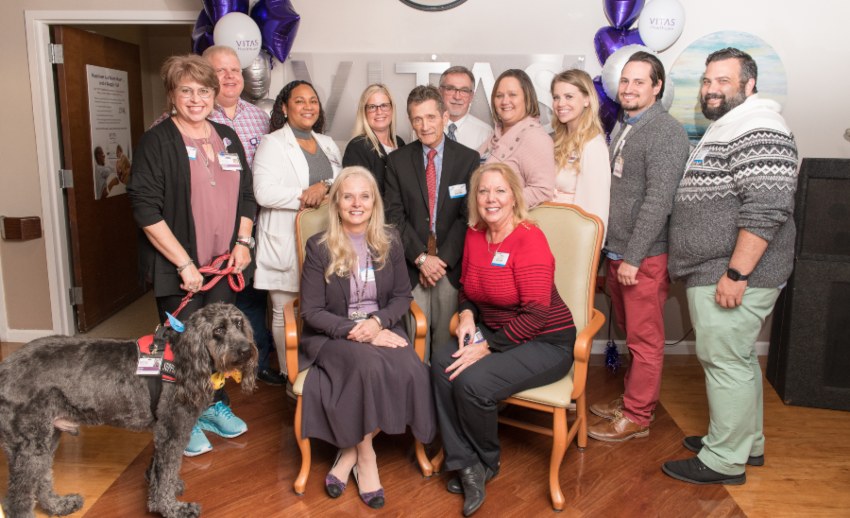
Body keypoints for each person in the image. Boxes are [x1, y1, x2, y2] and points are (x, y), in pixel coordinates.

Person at [663, 48, 799, 485]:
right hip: (717, 267)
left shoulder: (761, 125)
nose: (711, 88)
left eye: (723, 80)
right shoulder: (733, 125)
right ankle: (746, 442)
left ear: (749, 84)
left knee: (725, 361)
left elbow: (767, 208)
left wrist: (737, 274)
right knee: (735, 359)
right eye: (707, 81)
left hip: (734, 271)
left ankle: (724, 459)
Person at [127, 54, 256, 456]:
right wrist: (183, 263)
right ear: (172, 94)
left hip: (223, 267)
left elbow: (247, 195)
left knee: (221, 344)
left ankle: (215, 405)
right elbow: (144, 209)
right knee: (184, 350)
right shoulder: (157, 141)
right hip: (179, 270)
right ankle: (183, 419)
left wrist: (243, 242)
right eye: (187, 90)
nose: (196, 99)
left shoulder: (227, 137)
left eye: (204, 90)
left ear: (214, 95)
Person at [431, 162, 576, 517]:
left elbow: (537, 314)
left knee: (473, 383)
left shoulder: (529, 238)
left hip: (546, 340)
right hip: (497, 332)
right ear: (475, 199)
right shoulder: (476, 235)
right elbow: (467, 289)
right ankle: (466, 463)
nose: (490, 198)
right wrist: (466, 314)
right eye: (483, 191)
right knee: (439, 364)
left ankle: (487, 461)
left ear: (514, 197)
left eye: (499, 191)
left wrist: (486, 347)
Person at [299, 167, 436, 509]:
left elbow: (403, 296)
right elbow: (312, 311)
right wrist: (357, 332)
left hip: (382, 327)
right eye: (348, 196)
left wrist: (377, 324)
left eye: (364, 196)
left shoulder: (389, 239)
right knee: (367, 368)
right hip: (333, 335)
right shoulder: (319, 247)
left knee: (414, 370)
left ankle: (346, 456)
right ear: (337, 203)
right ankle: (367, 458)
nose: (356, 203)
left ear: (374, 202)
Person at [587, 51, 690, 443]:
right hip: (620, 253)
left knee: (645, 341)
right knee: (633, 335)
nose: (628, 88)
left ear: (658, 87)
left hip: (642, 257)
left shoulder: (665, 132)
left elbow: (658, 202)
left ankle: (637, 416)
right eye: (625, 81)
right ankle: (632, 399)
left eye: (639, 82)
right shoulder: (629, 126)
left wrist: (632, 257)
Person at [201, 45, 281, 387]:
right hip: (211, 229)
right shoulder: (195, 117)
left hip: (254, 227)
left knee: (251, 299)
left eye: (235, 70)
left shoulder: (259, 117)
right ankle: (211, 380)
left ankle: (255, 365)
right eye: (221, 71)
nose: (231, 77)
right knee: (214, 307)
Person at [253, 80, 342, 382]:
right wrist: (307, 194)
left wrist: (326, 187)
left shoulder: (328, 143)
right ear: (284, 107)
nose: (308, 107)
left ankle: (317, 369)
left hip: (324, 238)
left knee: (320, 307)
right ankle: (290, 375)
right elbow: (263, 192)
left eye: (313, 101)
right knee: (284, 310)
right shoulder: (273, 143)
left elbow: (338, 182)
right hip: (285, 238)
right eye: (300, 101)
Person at [384, 85, 479, 362]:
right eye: (417, 119)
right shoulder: (397, 161)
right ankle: (416, 397)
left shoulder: (468, 159)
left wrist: (441, 261)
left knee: (445, 341)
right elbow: (393, 217)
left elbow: (468, 217)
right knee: (414, 337)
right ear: (410, 121)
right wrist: (422, 258)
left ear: (444, 116)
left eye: (431, 117)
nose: (424, 126)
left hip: (450, 266)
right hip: (412, 265)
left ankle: (441, 396)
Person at [479, 69, 555, 209]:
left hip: (511, 226)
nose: (505, 101)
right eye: (499, 95)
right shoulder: (496, 135)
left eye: (512, 94)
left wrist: (502, 204)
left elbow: (543, 190)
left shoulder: (535, 137)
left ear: (527, 98)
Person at [550, 69, 611, 227]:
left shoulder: (593, 145)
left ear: (586, 100)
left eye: (568, 96)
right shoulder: (557, 141)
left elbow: (596, 212)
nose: (560, 103)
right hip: (550, 229)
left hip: (571, 237)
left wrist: (587, 250)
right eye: (556, 97)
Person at [342, 84, 405, 196]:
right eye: (372, 107)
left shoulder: (400, 143)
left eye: (384, 105)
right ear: (364, 112)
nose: (379, 112)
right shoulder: (357, 147)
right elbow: (360, 196)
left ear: (392, 109)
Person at [438, 66, 492, 151]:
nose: (457, 97)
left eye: (464, 90)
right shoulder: (426, 128)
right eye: (451, 89)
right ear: (440, 92)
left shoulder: (486, 133)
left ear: (471, 96)